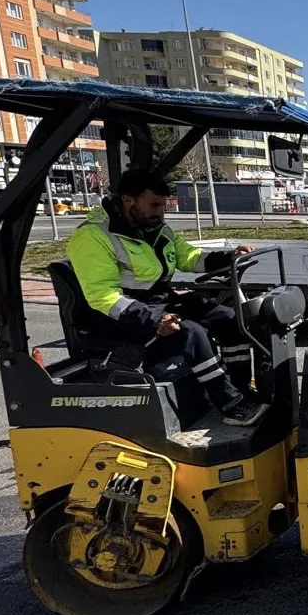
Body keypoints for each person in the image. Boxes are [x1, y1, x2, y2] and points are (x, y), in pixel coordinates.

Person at [66, 170, 267, 426]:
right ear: (128, 200)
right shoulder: (93, 237)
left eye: (163, 205)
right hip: (121, 318)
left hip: (157, 304)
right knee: (192, 333)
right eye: (154, 205)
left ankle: (239, 389)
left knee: (228, 318)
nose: (161, 212)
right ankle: (231, 406)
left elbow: (189, 257)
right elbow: (102, 295)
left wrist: (228, 257)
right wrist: (154, 319)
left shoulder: (155, 228)